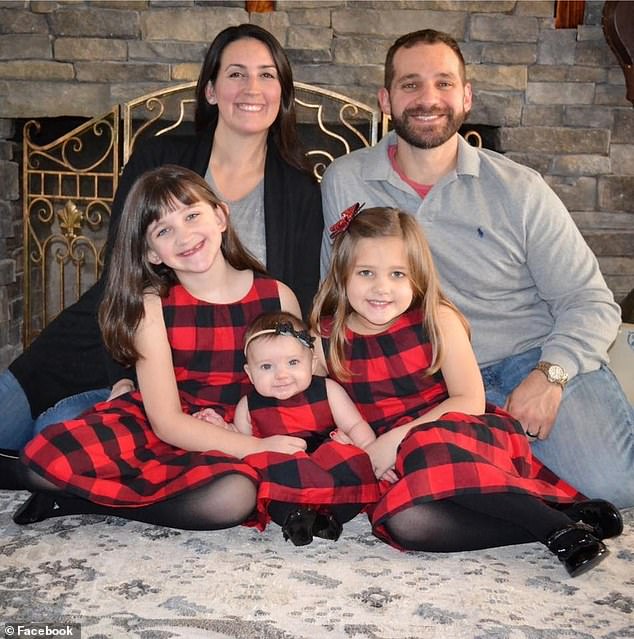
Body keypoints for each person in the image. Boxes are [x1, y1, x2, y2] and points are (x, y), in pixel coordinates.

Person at [319, 29, 633, 508]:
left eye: (444, 84)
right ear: (386, 99)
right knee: (422, 496)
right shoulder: (346, 180)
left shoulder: (519, 189)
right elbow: (335, 291)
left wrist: (551, 376)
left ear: (466, 97)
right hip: (419, 379)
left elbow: (589, 300)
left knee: (613, 488)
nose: (428, 99)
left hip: (529, 356)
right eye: (410, 85)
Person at [0, 23, 322, 449]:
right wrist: (124, 377)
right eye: (236, 73)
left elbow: (293, 307)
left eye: (267, 74)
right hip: (105, 344)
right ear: (210, 90)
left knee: (54, 442)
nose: (252, 87)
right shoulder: (161, 157)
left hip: (204, 377)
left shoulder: (299, 189)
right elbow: (122, 269)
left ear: (282, 92)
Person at [311, 205, 623, 577]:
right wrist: (351, 444)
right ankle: (559, 518)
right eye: (366, 273)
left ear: (417, 276)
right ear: (342, 274)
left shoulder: (436, 319)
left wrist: (393, 443)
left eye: (397, 274)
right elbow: (316, 406)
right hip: (393, 463)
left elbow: (470, 399)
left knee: (426, 446)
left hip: (457, 436)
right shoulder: (325, 337)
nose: (382, 288)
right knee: (403, 522)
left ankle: (558, 533)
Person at [1, 165, 309, 530]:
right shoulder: (152, 306)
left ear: (221, 216)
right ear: (152, 254)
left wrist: (249, 440)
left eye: (192, 215)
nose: (185, 236)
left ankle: (80, 498)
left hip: (236, 431)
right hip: (160, 424)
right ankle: (74, 490)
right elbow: (165, 420)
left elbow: (298, 387)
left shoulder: (276, 295)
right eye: (164, 231)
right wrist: (254, 451)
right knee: (41, 461)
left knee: (233, 499)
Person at [197, 310, 380, 546]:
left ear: (312, 363)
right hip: (283, 467)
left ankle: (331, 517)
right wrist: (222, 426)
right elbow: (241, 442)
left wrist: (366, 450)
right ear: (249, 374)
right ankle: (294, 518)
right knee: (264, 485)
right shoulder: (249, 404)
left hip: (325, 459)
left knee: (352, 465)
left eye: (293, 363)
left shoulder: (328, 390)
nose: (281, 375)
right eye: (266, 367)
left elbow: (355, 424)